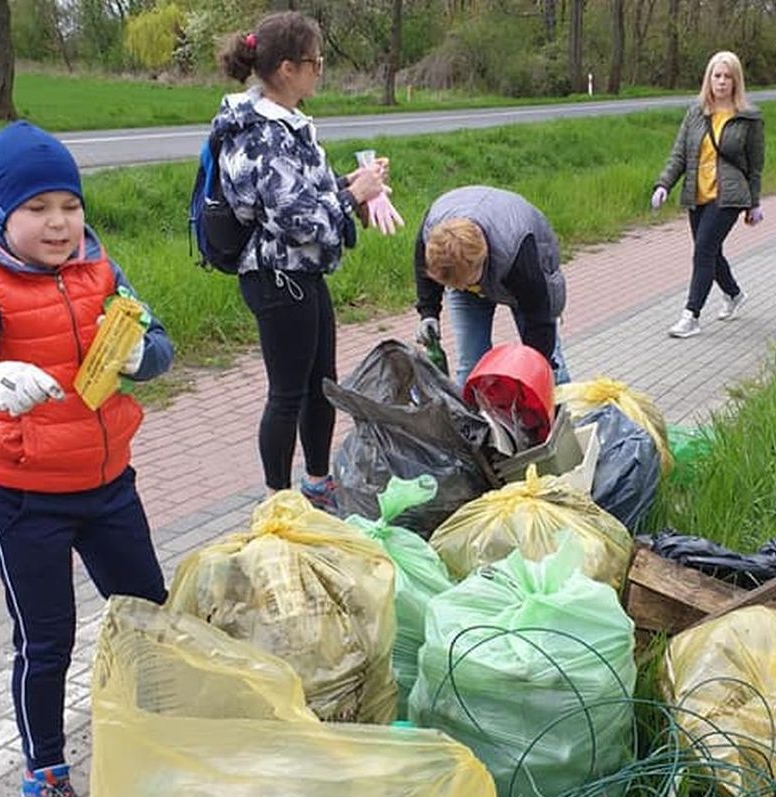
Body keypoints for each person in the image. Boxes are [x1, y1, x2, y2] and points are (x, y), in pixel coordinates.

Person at [0, 121, 174, 797]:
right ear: (3, 212)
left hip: (106, 484)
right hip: (22, 494)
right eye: (38, 208)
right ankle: (44, 772)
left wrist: (141, 355)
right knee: (46, 640)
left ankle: (162, 732)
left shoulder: (102, 267)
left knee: (149, 613)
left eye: (70, 204)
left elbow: (156, 344)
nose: (60, 223)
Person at [213, 11, 387, 512]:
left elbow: (312, 190)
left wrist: (354, 183)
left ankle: (316, 484)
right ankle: (277, 502)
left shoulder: (288, 125)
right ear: (287, 69)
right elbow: (297, 219)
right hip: (276, 276)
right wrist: (354, 197)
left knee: (320, 385)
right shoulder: (262, 134)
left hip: (303, 273)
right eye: (316, 62)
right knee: (287, 393)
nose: (320, 71)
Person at [650, 50, 765, 339]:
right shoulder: (695, 113)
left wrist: (754, 203)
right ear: (708, 79)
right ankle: (734, 294)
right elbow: (679, 155)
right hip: (696, 193)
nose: (722, 82)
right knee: (711, 252)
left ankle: (691, 315)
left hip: (729, 197)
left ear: (736, 80)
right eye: (717, 75)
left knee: (702, 251)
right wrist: (663, 184)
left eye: (728, 76)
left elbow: (755, 165)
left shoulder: (748, 118)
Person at [413, 185, 570, 388]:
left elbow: (539, 321)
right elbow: (424, 270)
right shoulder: (433, 235)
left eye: (465, 282)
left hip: (521, 277)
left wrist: (534, 380)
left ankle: (563, 412)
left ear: (481, 259)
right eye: (452, 284)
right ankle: (472, 418)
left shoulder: (518, 254)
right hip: (479, 263)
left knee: (548, 368)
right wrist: (428, 313)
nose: (460, 287)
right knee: (471, 365)